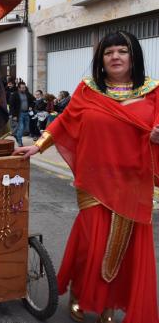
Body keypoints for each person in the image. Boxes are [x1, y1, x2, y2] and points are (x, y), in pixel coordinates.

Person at [14, 31, 159, 323]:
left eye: (122, 51)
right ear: (101, 59)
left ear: (134, 57)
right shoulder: (88, 89)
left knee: (124, 248)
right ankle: (80, 293)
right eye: (108, 52)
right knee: (92, 243)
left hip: (132, 182)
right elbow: (65, 122)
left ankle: (110, 305)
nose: (115, 57)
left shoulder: (153, 92)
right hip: (94, 181)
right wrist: (39, 145)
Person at [8, 82, 34, 147]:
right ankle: (19, 141)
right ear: (19, 88)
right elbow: (11, 106)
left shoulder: (27, 94)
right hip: (19, 114)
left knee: (26, 129)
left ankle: (16, 135)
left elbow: (33, 101)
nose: (23, 89)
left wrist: (31, 106)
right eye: (22, 88)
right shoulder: (14, 95)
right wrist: (14, 115)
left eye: (24, 87)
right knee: (21, 128)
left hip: (27, 113)